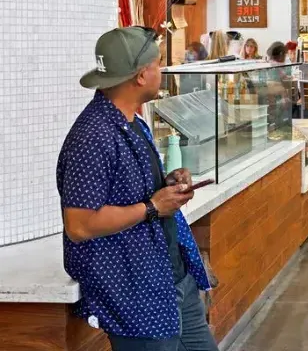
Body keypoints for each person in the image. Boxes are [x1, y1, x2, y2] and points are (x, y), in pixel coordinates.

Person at [57, 27, 217, 351]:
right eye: (157, 63)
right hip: (137, 292)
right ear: (141, 75)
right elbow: (78, 224)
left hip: (171, 277)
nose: (161, 70)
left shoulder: (131, 121)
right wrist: (153, 207)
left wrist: (167, 184)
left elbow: (134, 192)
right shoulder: (92, 137)